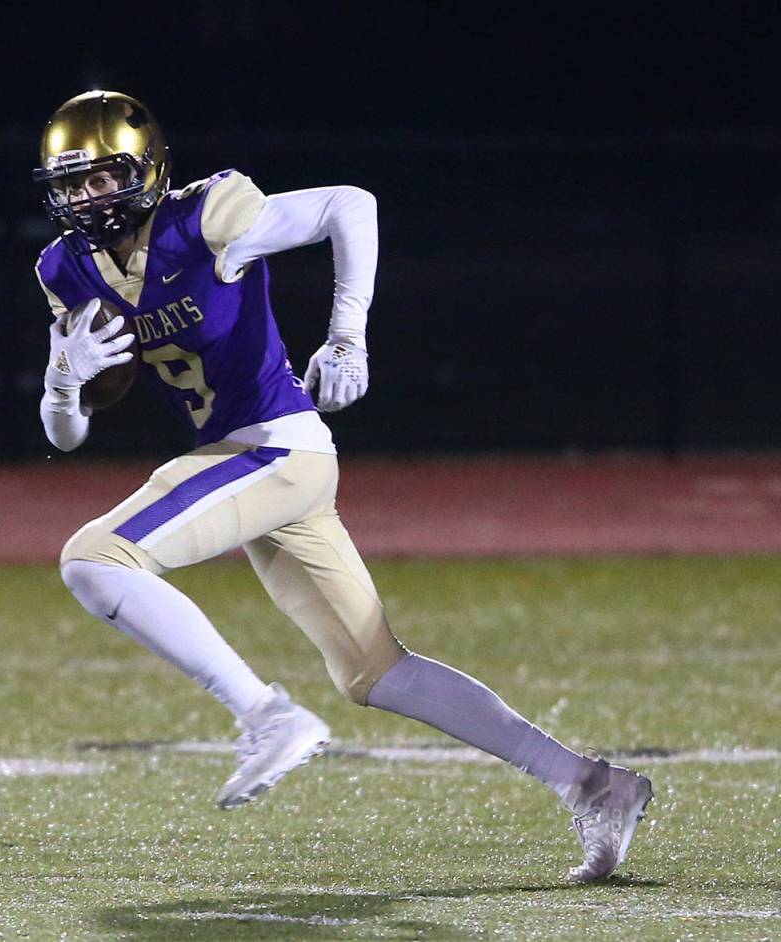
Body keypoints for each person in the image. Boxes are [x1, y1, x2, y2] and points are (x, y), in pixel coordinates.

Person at [32, 89, 653, 883]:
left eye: (103, 177)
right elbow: (69, 435)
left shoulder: (205, 216)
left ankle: (266, 714)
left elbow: (347, 205)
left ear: (146, 169)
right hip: (254, 461)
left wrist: (348, 335)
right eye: (71, 184)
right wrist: (61, 383)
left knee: (95, 558)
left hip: (274, 451)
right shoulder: (66, 267)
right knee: (374, 669)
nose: (87, 199)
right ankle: (594, 784)